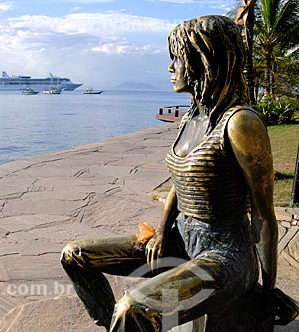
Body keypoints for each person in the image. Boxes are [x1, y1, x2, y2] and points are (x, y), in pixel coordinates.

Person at [61, 15, 296, 331]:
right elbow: (179, 182)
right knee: (74, 255)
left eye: (177, 58)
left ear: (205, 61)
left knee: (134, 307)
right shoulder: (192, 118)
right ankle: (111, 325)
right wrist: (160, 231)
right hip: (179, 239)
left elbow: (265, 217)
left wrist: (265, 292)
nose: (171, 68)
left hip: (225, 255)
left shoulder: (240, 124)